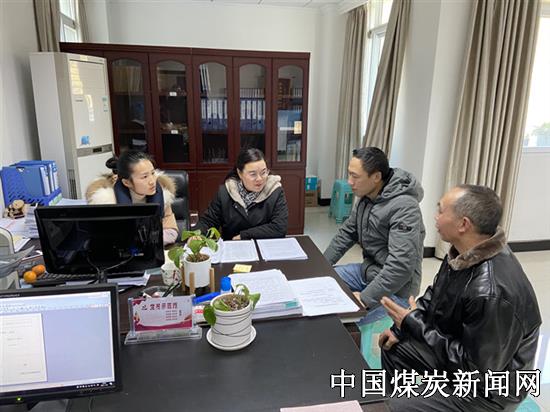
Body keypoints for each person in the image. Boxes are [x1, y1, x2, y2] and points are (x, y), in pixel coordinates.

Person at [380, 185, 541, 411]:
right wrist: (402, 328)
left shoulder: (491, 291)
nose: (435, 217)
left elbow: (475, 371)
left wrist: (413, 324)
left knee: (395, 407)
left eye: (441, 210)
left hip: (488, 391)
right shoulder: (464, 252)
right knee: (394, 347)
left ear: (463, 224)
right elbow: (435, 296)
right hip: (463, 359)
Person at [323, 147, 425, 324]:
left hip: (396, 291)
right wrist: (322, 265)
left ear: (376, 177)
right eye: (349, 174)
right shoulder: (367, 196)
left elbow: (400, 267)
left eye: (355, 176)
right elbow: (346, 234)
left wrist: (364, 299)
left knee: (340, 322)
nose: (349, 182)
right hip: (368, 272)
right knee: (322, 281)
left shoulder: (405, 207)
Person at [86, 150, 179, 246]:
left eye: (152, 173)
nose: (152, 181)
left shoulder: (161, 193)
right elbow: (104, 238)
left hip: (153, 250)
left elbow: (171, 231)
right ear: (127, 182)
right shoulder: (107, 200)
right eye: (144, 177)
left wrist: (144, 240)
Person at [196, 147, 288, 240]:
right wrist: (197, 235)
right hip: (233, 247)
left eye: (263, 172)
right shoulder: (225, 192)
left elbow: (279, 228)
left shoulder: (275, 191)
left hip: (265, 246)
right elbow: (208, 221)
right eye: (253, 174)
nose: (259, 179)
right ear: (240, 173)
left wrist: (244, 236)